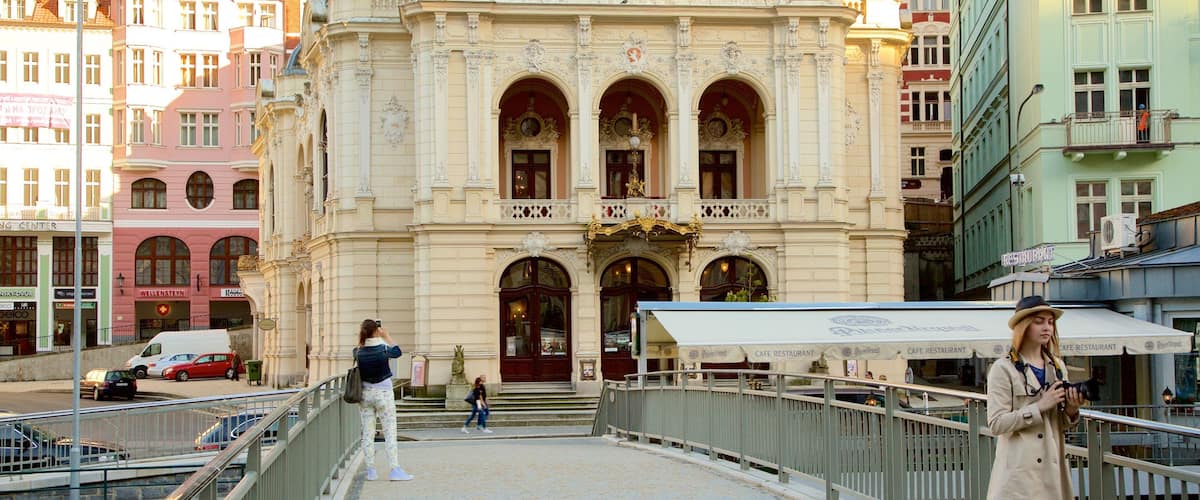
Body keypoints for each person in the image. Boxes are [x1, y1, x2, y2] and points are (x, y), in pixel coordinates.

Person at [986, 296, 1084, 499]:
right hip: (1018, 475)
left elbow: (1059, 423)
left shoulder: (1057, 366)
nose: (1046, 327)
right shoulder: (1002, 369)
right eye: (1039, 321)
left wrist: (1072, 410)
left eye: (1050, 322)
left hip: (1053, 471)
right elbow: (996, 424)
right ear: (1023, 326)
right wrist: (1039, 407)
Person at [354, 319, 413, 481]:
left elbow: (359, 348)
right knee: (389, 430)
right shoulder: (383, 349)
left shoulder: (357, 351)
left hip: (365, 395)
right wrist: (386, 336)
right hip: (384, 394)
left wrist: (366, 338)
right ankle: (394, 469)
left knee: (367, 432)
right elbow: (398, 352)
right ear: (376, 330)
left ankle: (371, 471)